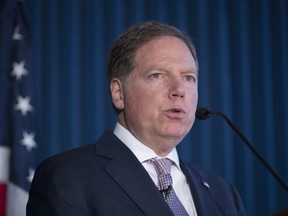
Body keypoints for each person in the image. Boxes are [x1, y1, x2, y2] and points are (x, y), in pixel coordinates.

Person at [26, 21, 246, 216]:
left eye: (189, 77)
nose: (179, 90)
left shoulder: (223, 193)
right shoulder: (66, 176)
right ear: (119, 93)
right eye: (157, 75)